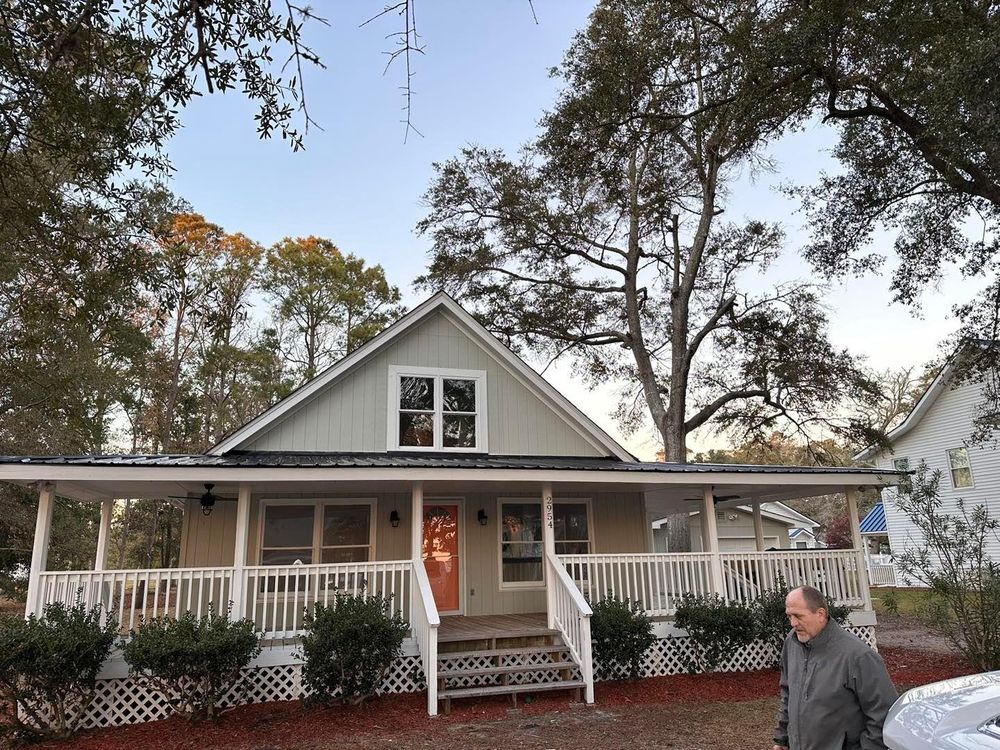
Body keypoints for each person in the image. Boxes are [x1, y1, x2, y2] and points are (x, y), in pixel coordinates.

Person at [773, 585, 898, 750]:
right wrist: (783, 738)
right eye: (789, 616)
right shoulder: (792, 643)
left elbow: (883, 715)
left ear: (820, 614)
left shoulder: (858, 656)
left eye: (798, 616)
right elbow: (788, 693)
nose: (793, 623)